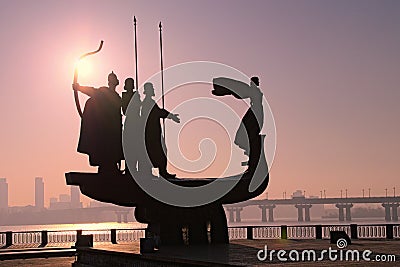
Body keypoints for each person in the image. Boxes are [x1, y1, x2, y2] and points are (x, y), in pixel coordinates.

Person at [72, 71, 123, 173]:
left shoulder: (117, 97)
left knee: (113, 152)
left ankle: (112, 166)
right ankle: (108, 167)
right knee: (105, 152)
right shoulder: (104, 92)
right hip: (104, 129)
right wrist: (79, 87)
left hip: (114, 129)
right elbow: (92, 91)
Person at [140, 82, 180, 179]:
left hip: (153, 132)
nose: (153, 90)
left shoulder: (148, 102)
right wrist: (171, 116)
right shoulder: (148, 103)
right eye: (151, 88)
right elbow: (158, 112)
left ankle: (159, 171)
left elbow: (159, 112)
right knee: (158, 151)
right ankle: (161, 172)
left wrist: (170, 115)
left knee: (157, 151)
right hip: (151, 132)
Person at [121, 77, 142, 172]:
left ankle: (135, 167)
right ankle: (129, 168)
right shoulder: (125, 96)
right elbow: (125, 110)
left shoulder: (136, 95)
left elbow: (139, 107)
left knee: (137, 145)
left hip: (136, 122)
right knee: (129, 146)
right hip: (131, 122)